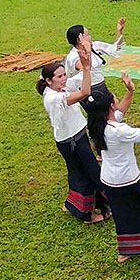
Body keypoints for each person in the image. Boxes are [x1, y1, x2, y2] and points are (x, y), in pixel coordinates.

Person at [82, 76, 140, 262]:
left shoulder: (96, 124)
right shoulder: (118, 131)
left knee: (123, 214)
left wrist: (130, 91)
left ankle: (125, 250)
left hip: (109, 179)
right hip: (128, 179)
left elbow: (121, 110)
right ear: (110, 106)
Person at [38, 43, 107, 224]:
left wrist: (87, 65)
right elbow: (85, 91)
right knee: (88, 173)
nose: (64, 79)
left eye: (64, 75)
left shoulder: (56, 88)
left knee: (77, 173)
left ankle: (73, 205)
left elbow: (81, 81)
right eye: (59, 77)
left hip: (74, 138)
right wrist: (85, 67)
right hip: (72, 142)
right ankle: (88, 213)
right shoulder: (55, 98)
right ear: (48, 81)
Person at [63, 19, 124, 95]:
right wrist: (88, 51)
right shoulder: (73, 57)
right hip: (84, 90)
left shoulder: (95, 45)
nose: (90, 36)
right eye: (87, 35)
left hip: (100, 85)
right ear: (79, 39)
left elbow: (115, 49)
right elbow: (86, 68)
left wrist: (119, 31)